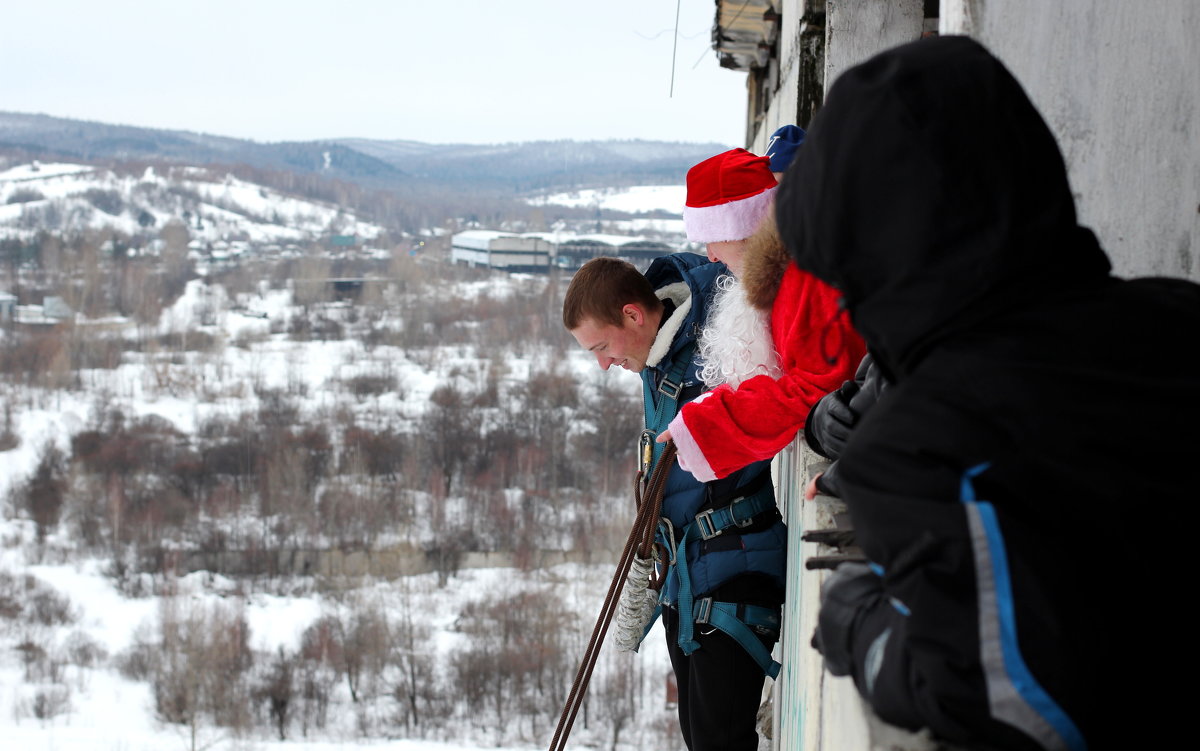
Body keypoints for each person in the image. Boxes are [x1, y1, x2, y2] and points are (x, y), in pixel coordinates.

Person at [776, 36, 1200, 751]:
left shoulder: (919, 453)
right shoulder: (1180, 315)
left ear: (867, 260)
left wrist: (864, 626)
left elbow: (1007, 706)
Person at [563, 254, 785, 751]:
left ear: (634, 315)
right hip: (689, 575)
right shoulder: (659, 359)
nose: (601, 365)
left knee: (717, 739)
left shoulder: (716, 341)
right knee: (700, 735)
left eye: (601, 347)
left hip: (734, 566)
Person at [661, 147, 865, 482]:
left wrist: (709, 423)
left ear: (743, 227)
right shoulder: (786, 276)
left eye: (712, 240)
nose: (710, 256)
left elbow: (819, 390)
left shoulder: (806, 279)